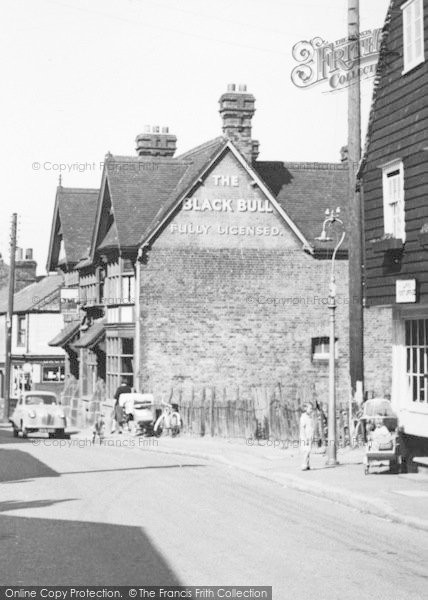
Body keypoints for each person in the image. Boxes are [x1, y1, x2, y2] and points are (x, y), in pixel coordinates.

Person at [299, 402, 314, 471]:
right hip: (305, 436)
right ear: (306, 408)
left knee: (309, 450)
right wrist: (304, 438)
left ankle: (307, 464)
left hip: (310, 436)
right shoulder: (303, 417)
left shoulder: (310, 417)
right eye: (310, 408)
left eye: (312, 408)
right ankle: (304, 464)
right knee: (306, 451)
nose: (311, 410)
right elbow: (302, 428)